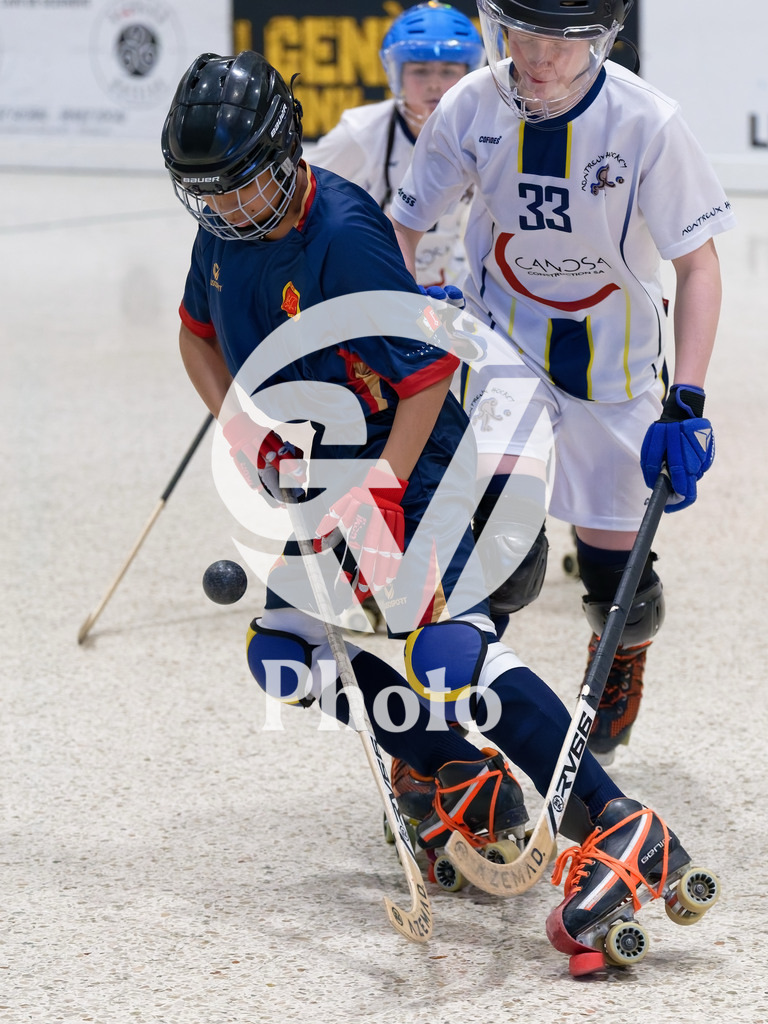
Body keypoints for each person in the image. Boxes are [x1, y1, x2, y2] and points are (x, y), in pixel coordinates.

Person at [161, 49, 718, 975]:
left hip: (416, 463)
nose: (222, 209)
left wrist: (379, 481)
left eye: (239, 188)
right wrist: (242, 427)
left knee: (447, 651)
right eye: (205, 194)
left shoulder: (344, 233)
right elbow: (194, 334)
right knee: (282, 657)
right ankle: (444, 762)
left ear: (285, 153)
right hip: (327, 469)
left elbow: (422, 382)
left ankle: (622, 824)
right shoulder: (225, 227)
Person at [390, 0, 735, 766]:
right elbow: (404, 227)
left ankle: (618, 661)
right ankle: (460, 720)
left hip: (616, 367)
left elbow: (698, 263)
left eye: (563, 45)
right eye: (524, 36)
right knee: (498, 550)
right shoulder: (470, 105)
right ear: (496, 28)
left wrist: (692, 398)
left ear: (604, 43)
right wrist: (401, 311)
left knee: (621, 583)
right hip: (504, 349)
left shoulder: (648, 122)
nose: (539, 60)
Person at [308, 1, 484, 288]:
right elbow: (296, 197)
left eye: (449, 70)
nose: (434, 84)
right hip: (358, 288)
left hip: (438, 289)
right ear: (397, 73)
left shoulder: (482, 137)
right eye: (420, 70)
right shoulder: (360, 133)